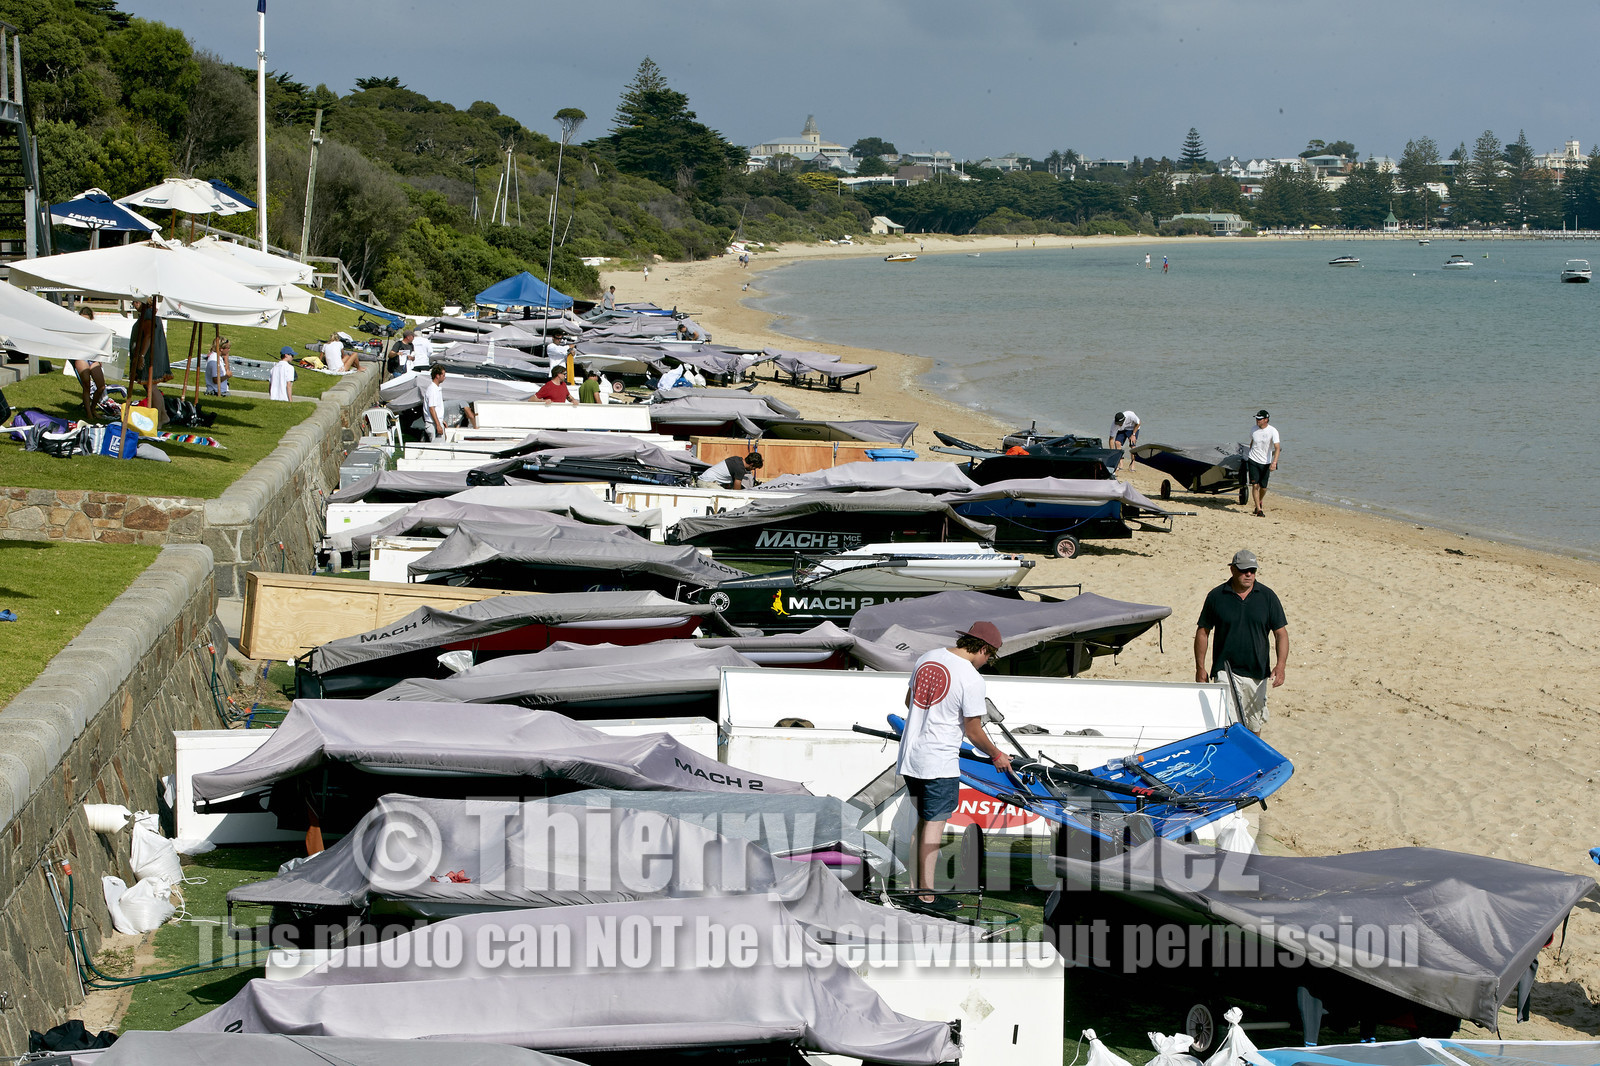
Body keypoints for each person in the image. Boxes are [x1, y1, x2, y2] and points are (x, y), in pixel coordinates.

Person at [897, 621, 1011, 905]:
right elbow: (973, 731)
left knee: (922, 823)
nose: (987, 662)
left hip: (910, 757)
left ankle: (914, 891)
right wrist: (996, 755)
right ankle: (926, 896)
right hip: (938, 762)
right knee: (934, 826)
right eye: (990, 656)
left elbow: (910, 700)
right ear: (983, 649)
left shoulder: (928, 657)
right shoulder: (971, 679)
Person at [1194, 549, 1289, 729]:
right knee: (1228, 724)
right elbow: (1203, 632)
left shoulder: (1268, 597)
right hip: (1225, 670)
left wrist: (1281, 665)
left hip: (1257, 673)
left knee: (1254, 726)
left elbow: (1281, 633)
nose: (1248, 574)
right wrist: (1200, 668)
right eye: (1244, 570)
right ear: (1233, 570)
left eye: (1252, 570)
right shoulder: (1216, 596)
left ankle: (1251, 756)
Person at [129, 297, 170, 401]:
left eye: (137, 302)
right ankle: (162, 413)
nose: (134, 304)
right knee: (149, 387)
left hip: (148, 355)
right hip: (149, 354)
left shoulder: (148, 314)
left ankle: (161, 413)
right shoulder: (149, 313)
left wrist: (141, 356)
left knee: (151, 387)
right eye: (133, 302)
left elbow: (148, 336)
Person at [71, 307, 108, 420]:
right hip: (81, 357)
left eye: (86, 319)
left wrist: (100, 358)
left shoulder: (95, 329)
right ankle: (89, 413)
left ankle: (92, 409)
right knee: (86, 385)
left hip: (92, 358)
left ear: (91, 319)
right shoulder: (76, 329)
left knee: (101, 386)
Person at [1245, 409, 1281, 517]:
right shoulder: (1253, 429)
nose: (1257, 421)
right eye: (1256, 419)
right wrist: (1249, 455)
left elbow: (1277, 448)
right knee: (1255, 485)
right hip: (1253, 460)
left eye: (1260, 419)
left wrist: (1274, 462)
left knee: (1263, 487)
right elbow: (1252, 443)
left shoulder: (1273, 431)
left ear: (1266, 420)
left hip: (1266, 462)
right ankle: (1259, 509)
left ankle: (1259, 501)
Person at [697, 451, 764, 488]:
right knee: (726, 497)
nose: (752, 470)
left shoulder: (736, 459)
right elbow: (736, 491)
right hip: (706, 483)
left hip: (703, 479)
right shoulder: (740, 469)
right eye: (754, 468)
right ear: (751, 464)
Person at [421, 365, 447, 441]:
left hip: (436, 422)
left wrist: (441, 420)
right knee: (437, 448)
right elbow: (431, 408)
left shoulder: (436, 389)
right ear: (437, 376)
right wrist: (438, 425)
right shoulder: (432, 389)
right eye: (443, 375)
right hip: (433, 424)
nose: (444, 377)